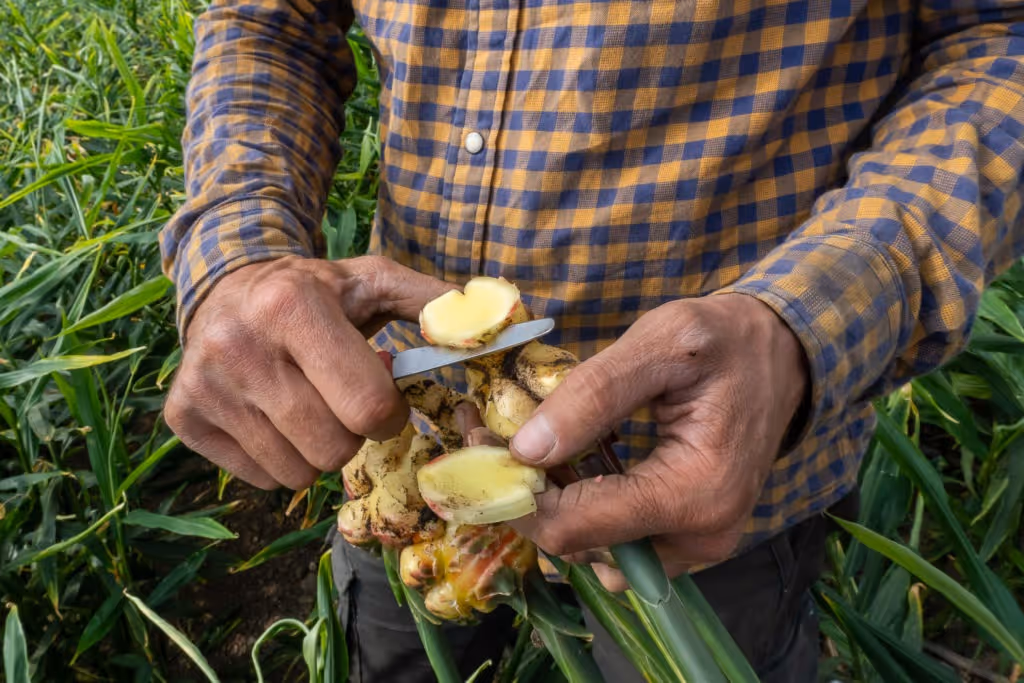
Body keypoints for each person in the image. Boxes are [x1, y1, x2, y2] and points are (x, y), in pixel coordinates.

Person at [159, 0, 1024, 678]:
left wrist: (802, 323)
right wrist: (239, 256)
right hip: (405, 445)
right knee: (392, 656)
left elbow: (1001, 38)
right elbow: (268, 21)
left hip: (714, 483)